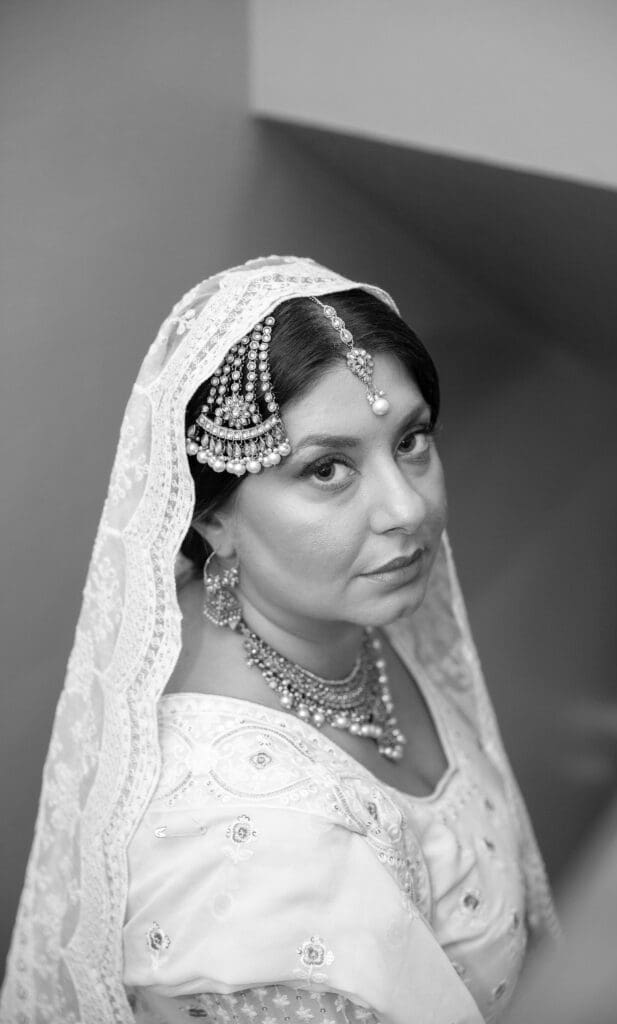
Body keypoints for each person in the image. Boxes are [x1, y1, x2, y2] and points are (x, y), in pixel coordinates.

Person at [1, 257, 557, 1024]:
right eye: (326, 468)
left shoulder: (337, 619)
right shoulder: (244, 852)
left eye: (411, 440)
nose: (405, 509)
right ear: (210, 519)